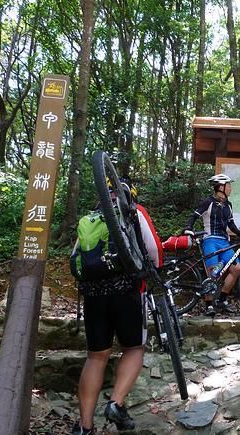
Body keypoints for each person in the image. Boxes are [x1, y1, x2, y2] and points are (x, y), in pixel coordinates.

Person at [71, 181, 162, 435]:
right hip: (127, 292)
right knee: (134, 349)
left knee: (96, 357)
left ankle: (85, 427)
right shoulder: (134, 211)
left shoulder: (93, 217)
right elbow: (154, 250)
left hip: (93, 295)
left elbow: (77, 257)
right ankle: (116, 403)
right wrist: (153, 272)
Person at [182, 173, 240, 316]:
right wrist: (188, 228)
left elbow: (231, 224)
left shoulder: (228, 205)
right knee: (213, 273)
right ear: (220, 187)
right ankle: (209, 305)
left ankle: (221, 300)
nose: (230, 188)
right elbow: (194, 216)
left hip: (224, 242)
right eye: (228, 186)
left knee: (236, 270)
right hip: (210, 240)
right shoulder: (208, 202)